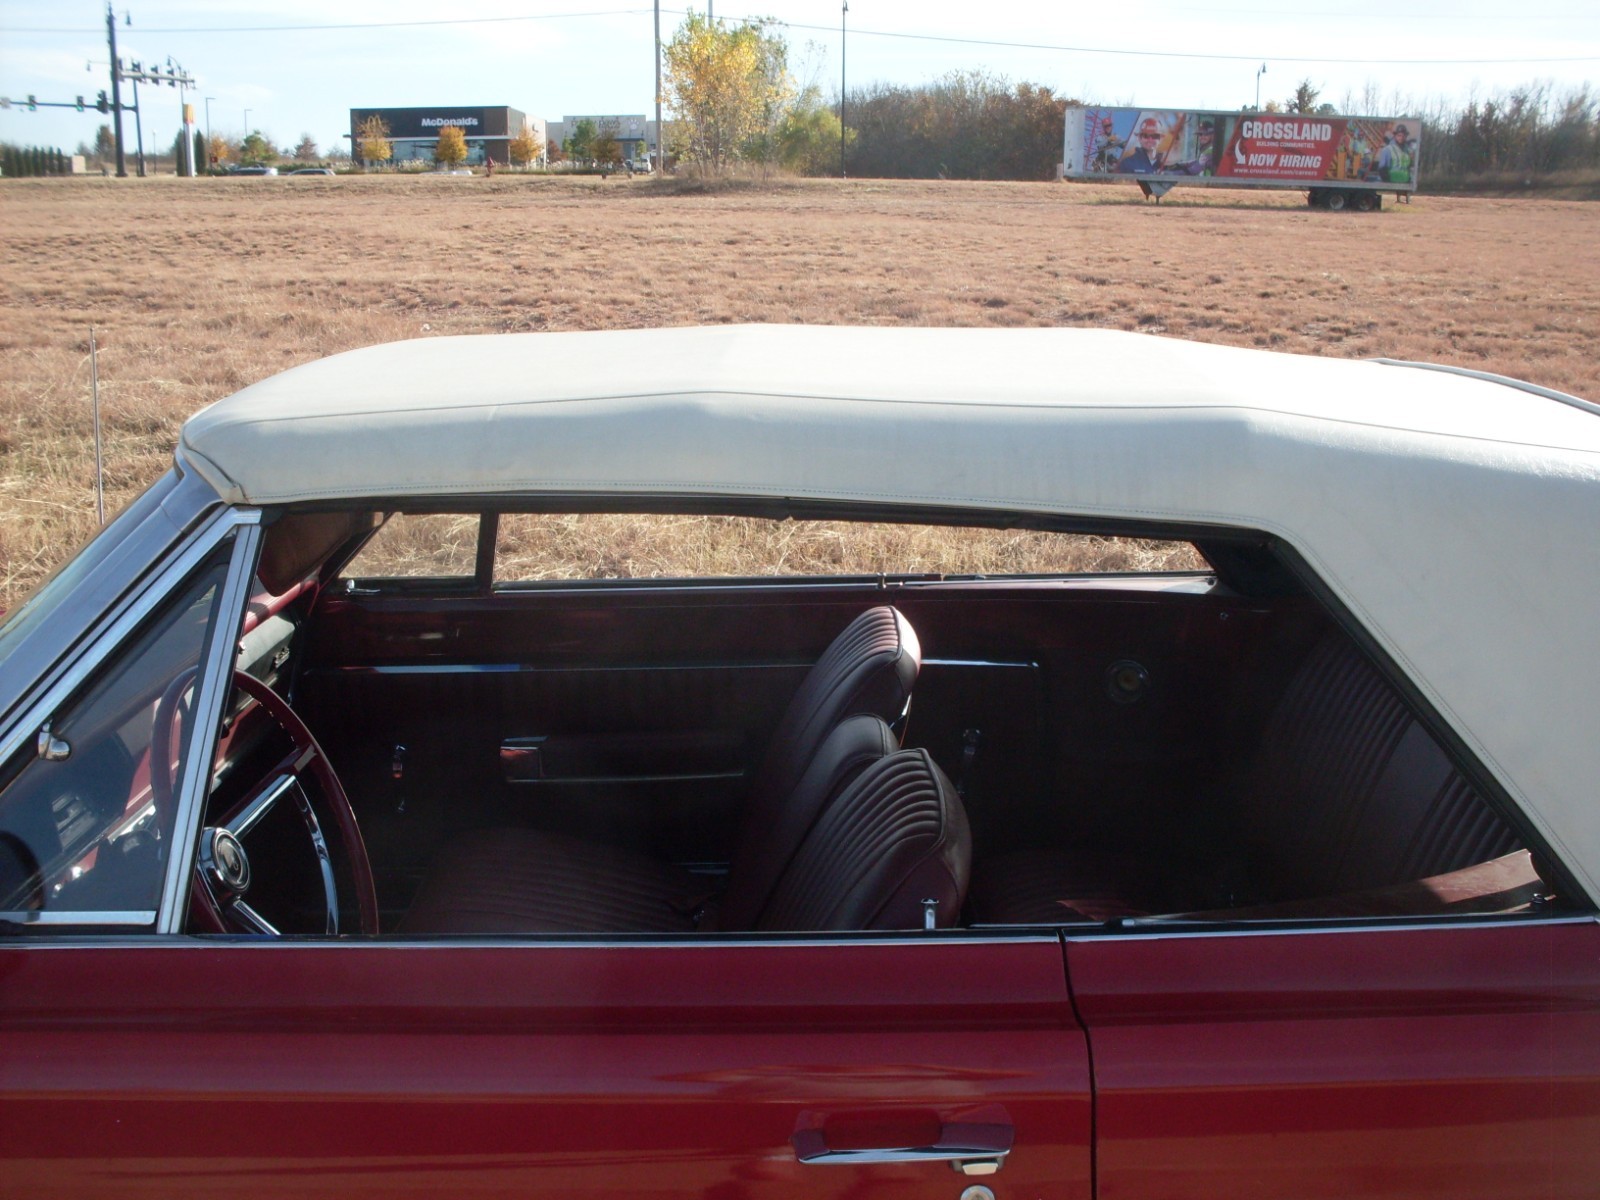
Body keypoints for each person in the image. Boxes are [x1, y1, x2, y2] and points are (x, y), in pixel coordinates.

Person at [1374, 123, 1415, 199]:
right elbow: (1382, 169)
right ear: (1395, 136)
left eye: (1403, 136)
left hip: (1405, 182)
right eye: (1399, 135)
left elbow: (1409, 166)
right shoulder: (1387, 149)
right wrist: (1388, 182)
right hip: (1392, 181)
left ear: (1406, 136)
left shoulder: (1408, 151)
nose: (1401, 138)